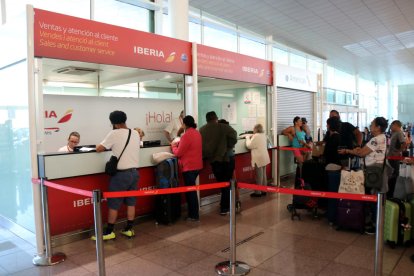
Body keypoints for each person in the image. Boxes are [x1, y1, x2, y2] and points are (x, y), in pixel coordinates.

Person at [93, 111, 140, 240]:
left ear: (113, 123)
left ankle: (109, 232)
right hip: (135, 173)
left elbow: (99, 148)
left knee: (114, 203)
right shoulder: (135, 133)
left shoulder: (114, 133)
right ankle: (129, 229)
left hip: (121, 175)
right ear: (125, 120)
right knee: (131, 202)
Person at [338, 116, 388, 235]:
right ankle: (375, 223)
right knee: (374, 196)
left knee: (372, 197)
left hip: (373, 171)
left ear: (378, 127)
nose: (370, 126)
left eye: (372, 124)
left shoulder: (376, 139)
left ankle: (374, 225)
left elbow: (361, 153)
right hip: (376, 170)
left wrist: (348, 151)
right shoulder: (382, 137)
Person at [200, 111, 237, 215]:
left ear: (207, 119)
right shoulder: (223, 127)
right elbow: (234, 136)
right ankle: (225, 208)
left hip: (213, 161)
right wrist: (228, 146)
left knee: (222, 183)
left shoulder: (202, 130)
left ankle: (223, 204)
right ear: (216, 118)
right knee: (227, 183)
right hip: (226, 159)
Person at [171, 115, 203, 221]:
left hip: (189, 167)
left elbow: (179, 153)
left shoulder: (186, 135)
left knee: (190, 192)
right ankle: (193, 213)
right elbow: (191, 146)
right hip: (197, 166)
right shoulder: (197, 133)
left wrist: (174, 146)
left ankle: (193, 215)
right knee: (192, 191)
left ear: (184, 124)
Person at [246, 123, 270, 197]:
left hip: (259, 158)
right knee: (263, 175)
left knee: (259, 176)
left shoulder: (256, 136)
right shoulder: (264, 135)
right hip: (264, 157)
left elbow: (249, 146)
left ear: (256, 129)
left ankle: (258, 192)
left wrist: (247, 138)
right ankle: (264, 190)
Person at [387, 120, 410, 197]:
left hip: (395, 158)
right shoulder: (394, 133)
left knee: (394, 174)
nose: (391, 127)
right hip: (391, 157)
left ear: (396, 125)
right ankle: (390, 191)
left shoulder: (399, 133)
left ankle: (392, 193)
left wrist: (398, 152)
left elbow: (404, 144)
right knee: (391, 174)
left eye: (392, 125)